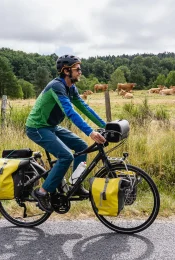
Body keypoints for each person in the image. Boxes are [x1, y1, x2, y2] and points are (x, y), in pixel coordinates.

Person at [25, 54, 106, 213]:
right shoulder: (57, 86)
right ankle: (42, 192)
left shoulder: (71, 87)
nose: (80, 72)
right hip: (37, 128)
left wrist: (106, 125)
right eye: (77, 69)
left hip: (51, 126)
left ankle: (75, 185)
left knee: (81, 146)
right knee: (66, 156)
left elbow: (84, 108)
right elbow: (70, 112)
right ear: (66, 70)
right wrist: (90, 132)